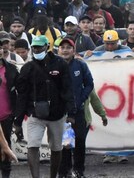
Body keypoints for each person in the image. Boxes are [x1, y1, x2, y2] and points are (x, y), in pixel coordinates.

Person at [14, 35, 76, 178]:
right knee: (33, 146)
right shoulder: (27, 68)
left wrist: (71, 113)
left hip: (57, 114)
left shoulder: (60, 64)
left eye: (39, 47)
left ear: (47, 47)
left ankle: (52, 176)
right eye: (34, 47)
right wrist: (17, 121)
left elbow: (68, 89)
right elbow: (22, 95)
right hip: (35, 115)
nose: (36, 50)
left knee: (56, 148)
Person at [57, 38, 94, 178]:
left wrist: (81, 98)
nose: (65, 50)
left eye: (68, 47)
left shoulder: (80, 65)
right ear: (58, 50)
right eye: (62, 47)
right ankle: (64, 171)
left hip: (78, 110)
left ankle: (79, 170)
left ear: (74, 51)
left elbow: (89, 84)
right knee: (63, 143)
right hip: (60, 112)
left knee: (79, 141)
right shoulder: (53, 66)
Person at [0, 38, 18, 177]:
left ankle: (6, 174)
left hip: (6, 115)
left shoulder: (11, 69)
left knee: (5, 146)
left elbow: (21, 89)